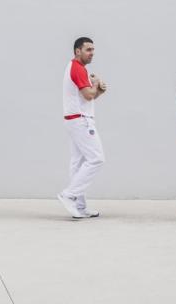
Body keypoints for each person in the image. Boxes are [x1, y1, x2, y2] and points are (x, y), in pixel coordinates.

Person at [57, 37, 106, 219]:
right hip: (80, 121)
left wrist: (99, 90)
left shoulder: (78, 68)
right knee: (97, 159)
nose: (91, 53)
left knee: (77, 163)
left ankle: (80, 205)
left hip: (75, 120)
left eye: (93, 49)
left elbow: (89, 96)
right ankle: (69, 195)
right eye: (88, 49)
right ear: (78, 51)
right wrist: (96, 85)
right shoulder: (77, 68)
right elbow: (88, 95)